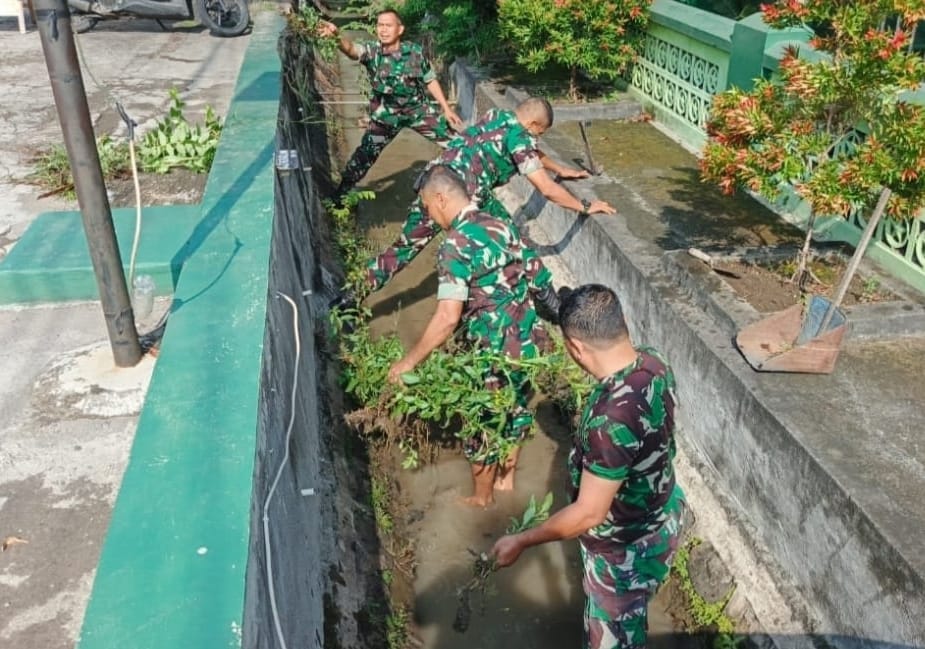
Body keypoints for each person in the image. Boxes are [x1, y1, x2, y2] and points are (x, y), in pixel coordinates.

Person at [491, 284, 686, 649]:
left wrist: (522, 539)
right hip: (664, 517)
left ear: (576, 348)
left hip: (622, 550)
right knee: (638, 610)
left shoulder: (611, 422)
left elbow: (588, 513)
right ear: (620, 323)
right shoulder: (653, 362)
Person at [386, 165, 560, 507]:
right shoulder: (503, 225)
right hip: (528, 343)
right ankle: (507, 482)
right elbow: (539, 281)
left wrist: (407, 363)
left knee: (481, 423)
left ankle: (482, 500)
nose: (430, 216)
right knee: (517, 411)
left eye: (428, 207)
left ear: (440, 198)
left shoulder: (454, 246)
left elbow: (447, 317)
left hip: (491, 352)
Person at [364, 97, 616, 295]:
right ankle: (550, 301)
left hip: (433, 184)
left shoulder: (497, 116)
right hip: (464, 197)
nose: (536, 140)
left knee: (402, 250)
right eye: (538, 134)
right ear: (533, 125)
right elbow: (547, 189)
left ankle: (350, 298)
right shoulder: (519, 137)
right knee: (513, 241)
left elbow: (531, 153)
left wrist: (560, 169)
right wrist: (585, 205)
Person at [317, 11, 463, 197]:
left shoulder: (414, 52)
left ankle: (469, 187)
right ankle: (339, 199)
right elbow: (352, 49)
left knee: (458, 144)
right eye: (380, 25)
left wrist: (446, 108)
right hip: (385, 117)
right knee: (363, 158)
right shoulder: (372, 51)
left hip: (417, 111)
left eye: (388, 25)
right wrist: (337, 36)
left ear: (400, 29)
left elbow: (430, 79)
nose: (383, 30)